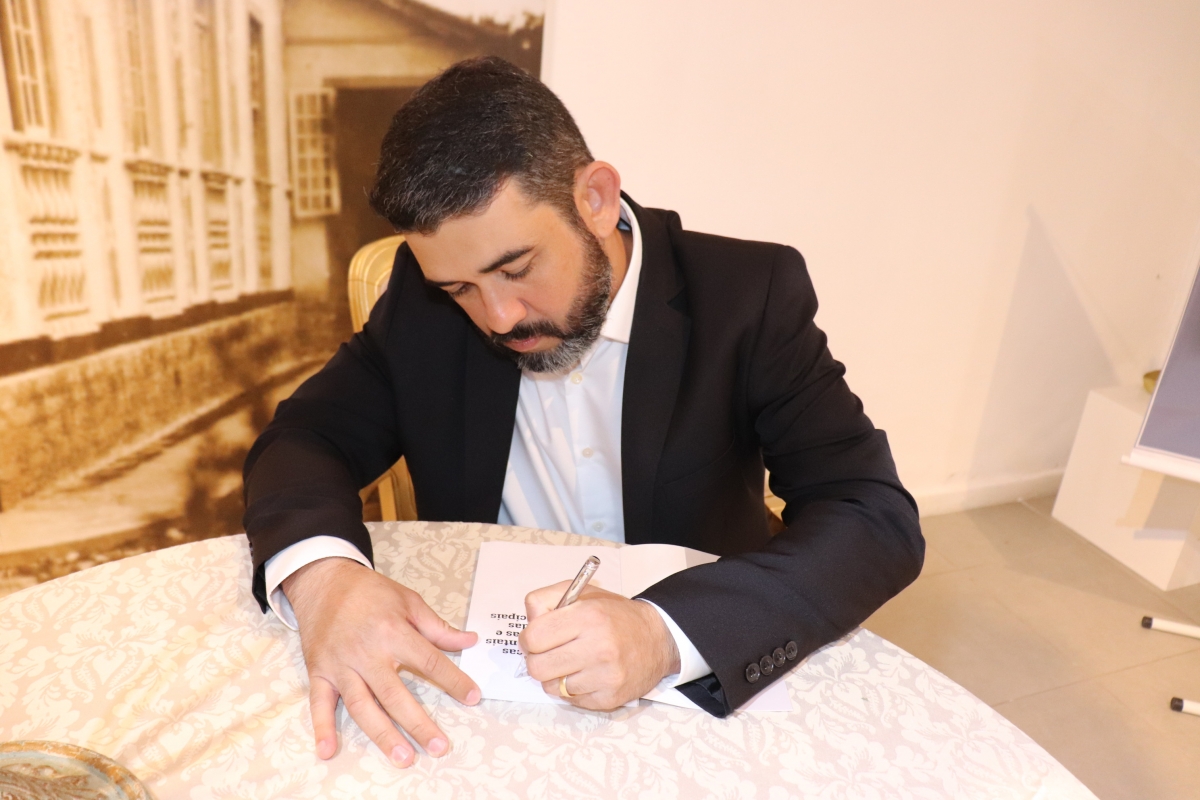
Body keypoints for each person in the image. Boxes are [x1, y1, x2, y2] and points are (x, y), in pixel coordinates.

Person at [242, 56, 924, 769]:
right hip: (491, 696)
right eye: (460, 290)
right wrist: (326, 578)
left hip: (698, 686)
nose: (498, 316)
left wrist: (665, 634)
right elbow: (305, 437)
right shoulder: (422, 300)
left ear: (595, 198)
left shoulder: (746, 296)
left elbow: (872, 514)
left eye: (516, 269)